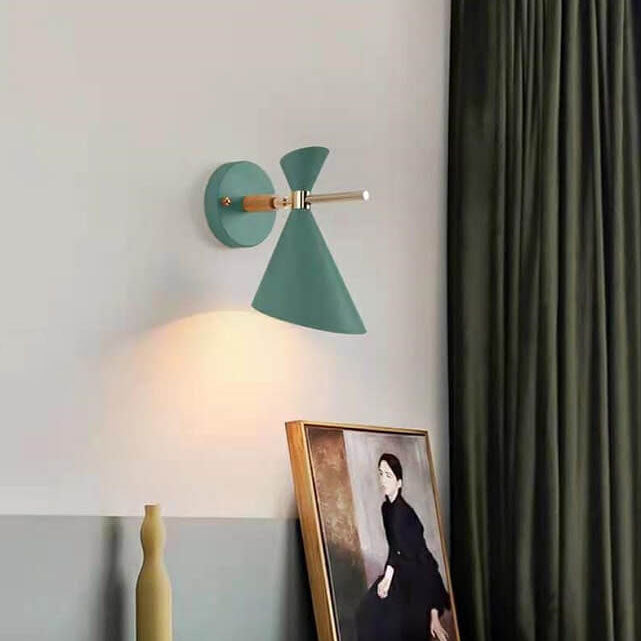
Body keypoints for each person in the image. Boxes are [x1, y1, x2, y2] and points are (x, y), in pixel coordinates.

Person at [356, 453, 450, 641]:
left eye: (388, 475)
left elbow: (423, 560)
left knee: (397, 626)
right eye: (380, 474)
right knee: (366, 612)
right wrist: (387, 577)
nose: (383, 480)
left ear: (399, 483)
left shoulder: (405, 513)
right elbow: (395, 548)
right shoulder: (386, 509)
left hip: (418, 580)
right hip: (399, 573)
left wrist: (433, 615)